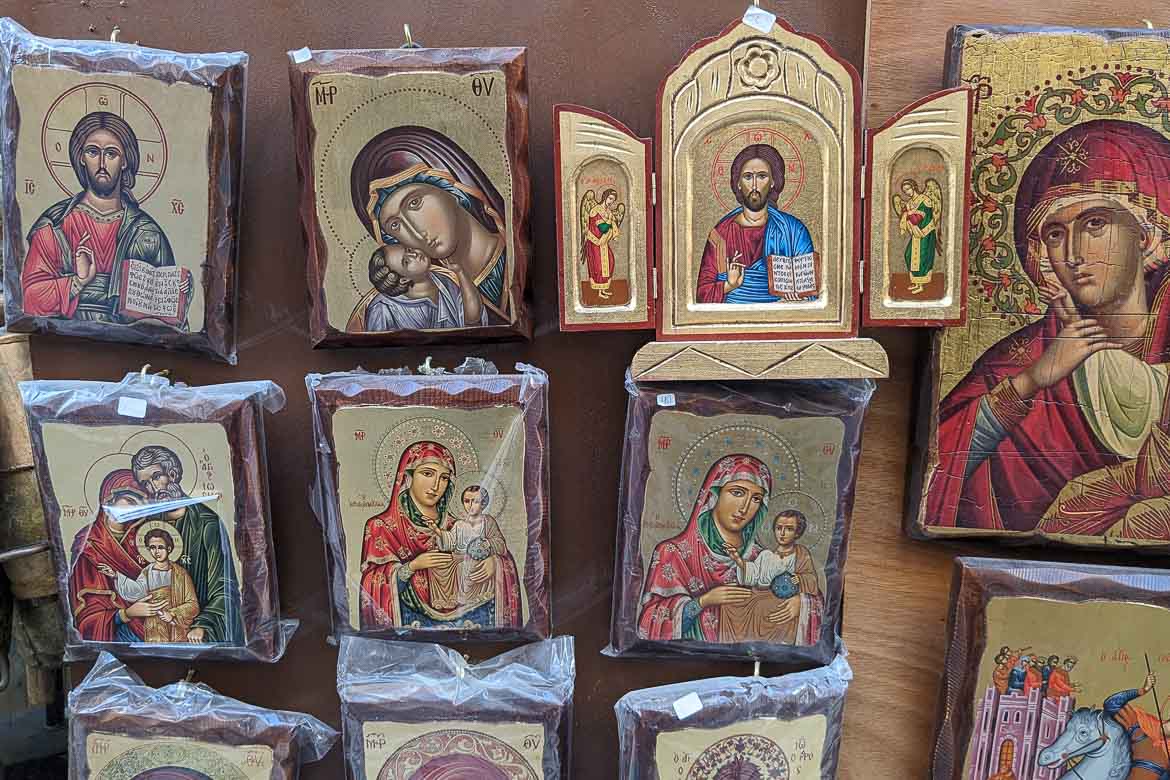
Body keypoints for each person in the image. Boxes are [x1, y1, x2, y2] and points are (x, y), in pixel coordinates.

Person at [926, 120, 1170, 537]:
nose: (1073, 254)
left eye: (1095, 224)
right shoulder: (1023, 356)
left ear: (1147, 237)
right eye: (1055, 234)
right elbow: (938, 472)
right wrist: (1032, 380)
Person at [20, 111, 187, 322]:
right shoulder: (55, 225)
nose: (101, 163)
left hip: (132, 350)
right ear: (80, 157)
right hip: (64, 342)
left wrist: (177, 292)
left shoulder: (146, 233)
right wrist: (78, 282)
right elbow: (29, 298)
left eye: (111, 154)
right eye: (92, 152)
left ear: (125, 161)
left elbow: (167, 321)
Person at [351, 128, 511, 322]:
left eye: (414, 203)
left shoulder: (519, 261)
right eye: (395, 225)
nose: (416, 233)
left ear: (454, 189)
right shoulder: (428, 294)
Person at [639, 454, 801, 643]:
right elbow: (648, 624)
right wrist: (702, 602)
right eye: (737, 493)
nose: (745, 507)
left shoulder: (761, 557)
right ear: (713, 494)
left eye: (756, 498)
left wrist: (800, 604)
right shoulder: (673, 553)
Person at [359, 442, 521, 630]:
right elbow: (371, 585)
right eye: (427, 474)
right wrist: (413, 566)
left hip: (472, 623)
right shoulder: (382, 527)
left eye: (444, 478)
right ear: (408, 477)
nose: (436, 485)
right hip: (410, 630)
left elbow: (499, 551)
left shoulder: (458, 524)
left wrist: (496, 563)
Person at [131, 445, 243, 644]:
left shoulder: (207, 523)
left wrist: (202, 624)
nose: (154, 488)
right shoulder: (146, 525)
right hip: (159, 630)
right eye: (146, 483)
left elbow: (223, 586)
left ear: (172, 474)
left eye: (157, 477)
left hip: (195, 628)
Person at [695, 144, 815, 304]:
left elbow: (811, 292)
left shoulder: (794, 231)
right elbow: (702, 294)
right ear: (738, 183)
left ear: (773, 182)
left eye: (762, 176)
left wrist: (798, 298)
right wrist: (729, 285)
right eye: (748, 177)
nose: (754, 186)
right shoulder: (720, 235)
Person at [68, 471, 157, 642]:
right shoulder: (89, 544)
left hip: (153, 624)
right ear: (110, 499)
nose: (133, 509)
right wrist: (126, 613)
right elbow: (87, 615)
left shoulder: (144, 539)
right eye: (129, 501)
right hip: (116, 631)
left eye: (140, 505)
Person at [97, 525, 199, 643]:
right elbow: (137, 591)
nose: (156, 552)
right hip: (153, 626)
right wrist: (116, 575)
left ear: (169, 549)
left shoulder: (180, 574)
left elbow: (193, 605)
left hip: (175, 626)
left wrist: (172, 613)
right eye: (152, 548)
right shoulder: (147, 572)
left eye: (160, 547)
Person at [362, 242, 485, 331]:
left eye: (408, 250)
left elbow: (472, 321)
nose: (414, 255)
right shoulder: (383, 309)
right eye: (406, 261)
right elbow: (378, 356)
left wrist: (460, 272)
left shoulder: (443, 282)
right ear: (404, 279)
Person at [581, 188, 623, 300]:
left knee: (610, 262)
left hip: (602, 242)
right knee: (599, 267)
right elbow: (603, 228)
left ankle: (603, 289)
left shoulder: (608, 212)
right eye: (610, 198)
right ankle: (599, 291)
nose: (611, 202)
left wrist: (615, 234)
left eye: (613, 200)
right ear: (605, 197)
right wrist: (609, 221)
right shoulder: (595, 210)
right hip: (595, 242)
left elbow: (612, 225)